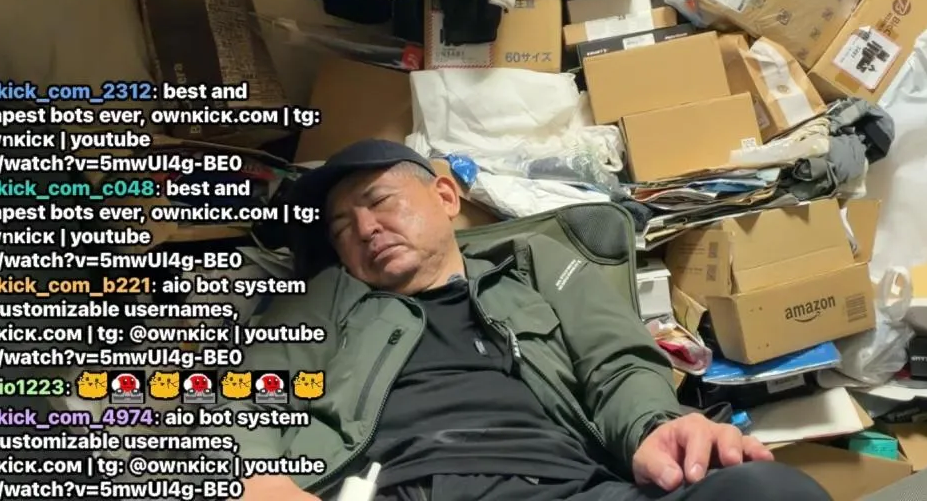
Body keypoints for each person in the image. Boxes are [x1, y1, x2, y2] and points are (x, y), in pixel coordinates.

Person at [221, 139, 831, 501]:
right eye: (340, 228)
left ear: (445, 196)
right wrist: (257, 478)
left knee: (770, 490)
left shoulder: (537, 264)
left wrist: (652, 426)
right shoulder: (326, 299)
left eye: (379, 202)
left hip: (567, 488)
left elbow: (616, 363)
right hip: (398, 487)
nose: (364, 229)